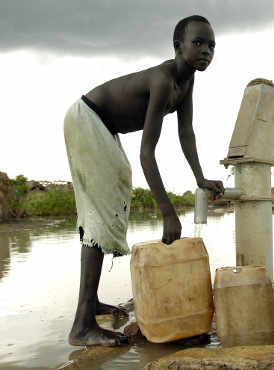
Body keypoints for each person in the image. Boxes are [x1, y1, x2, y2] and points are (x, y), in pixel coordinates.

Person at [64, 15, 224, 346]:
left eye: (211, 45)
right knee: (101, 214)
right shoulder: (164, 80)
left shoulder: (187, 82)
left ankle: (90, 304)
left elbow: (186, 133)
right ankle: (82, 325)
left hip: (100, 125)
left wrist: (200, 178)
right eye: (198, 43)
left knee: (110, 201)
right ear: (177, 46)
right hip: (87, 117)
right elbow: (146, 154)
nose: (206, 50)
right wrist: (167, 211)